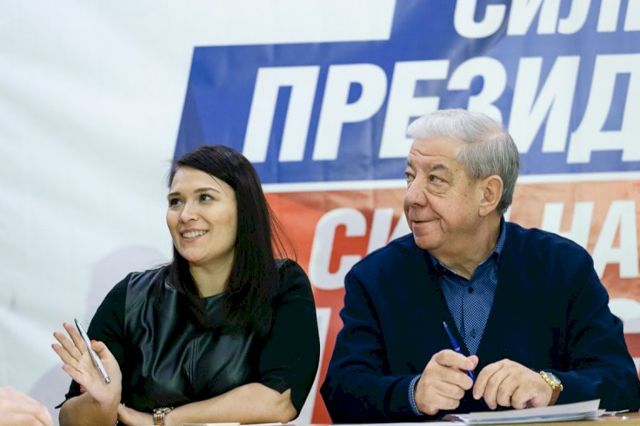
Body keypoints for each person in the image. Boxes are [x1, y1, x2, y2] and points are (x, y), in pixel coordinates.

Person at [321, 109, 640, 422]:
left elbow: (621, 382)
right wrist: (413, 393)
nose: (412, 196)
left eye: (435, 179)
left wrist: (549, 387)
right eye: (410, 177)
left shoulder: (563, 267)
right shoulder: (375, 278)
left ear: (488, 194)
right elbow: (341, 392)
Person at [52, 145, 320, 426]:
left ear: (244, 209)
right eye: (176, 201)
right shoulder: (130, 296)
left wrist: (161, 421)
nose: (185, 215)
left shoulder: (283, 284)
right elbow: (71, 419)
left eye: (205, 198)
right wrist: (102, 403)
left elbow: (279, 399)